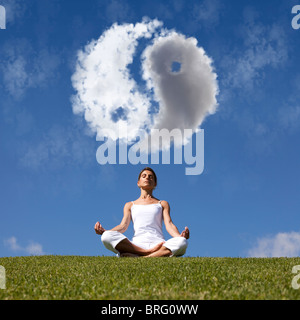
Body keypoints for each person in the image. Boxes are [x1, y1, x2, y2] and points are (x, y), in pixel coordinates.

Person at [94, 167, 189, 257]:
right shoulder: (130, 205)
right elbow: (123, 226)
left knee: (182, 242)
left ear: (155, 184)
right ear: (138, 183)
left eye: (151, 177)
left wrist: (180, 236)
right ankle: (148, 253)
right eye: (144, 176)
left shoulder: (162, 203)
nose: (147, 177)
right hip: (136, 245)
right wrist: (105, 232)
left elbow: (169, 224)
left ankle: (141, 257)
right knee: (106, 237)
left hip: (159, 244)